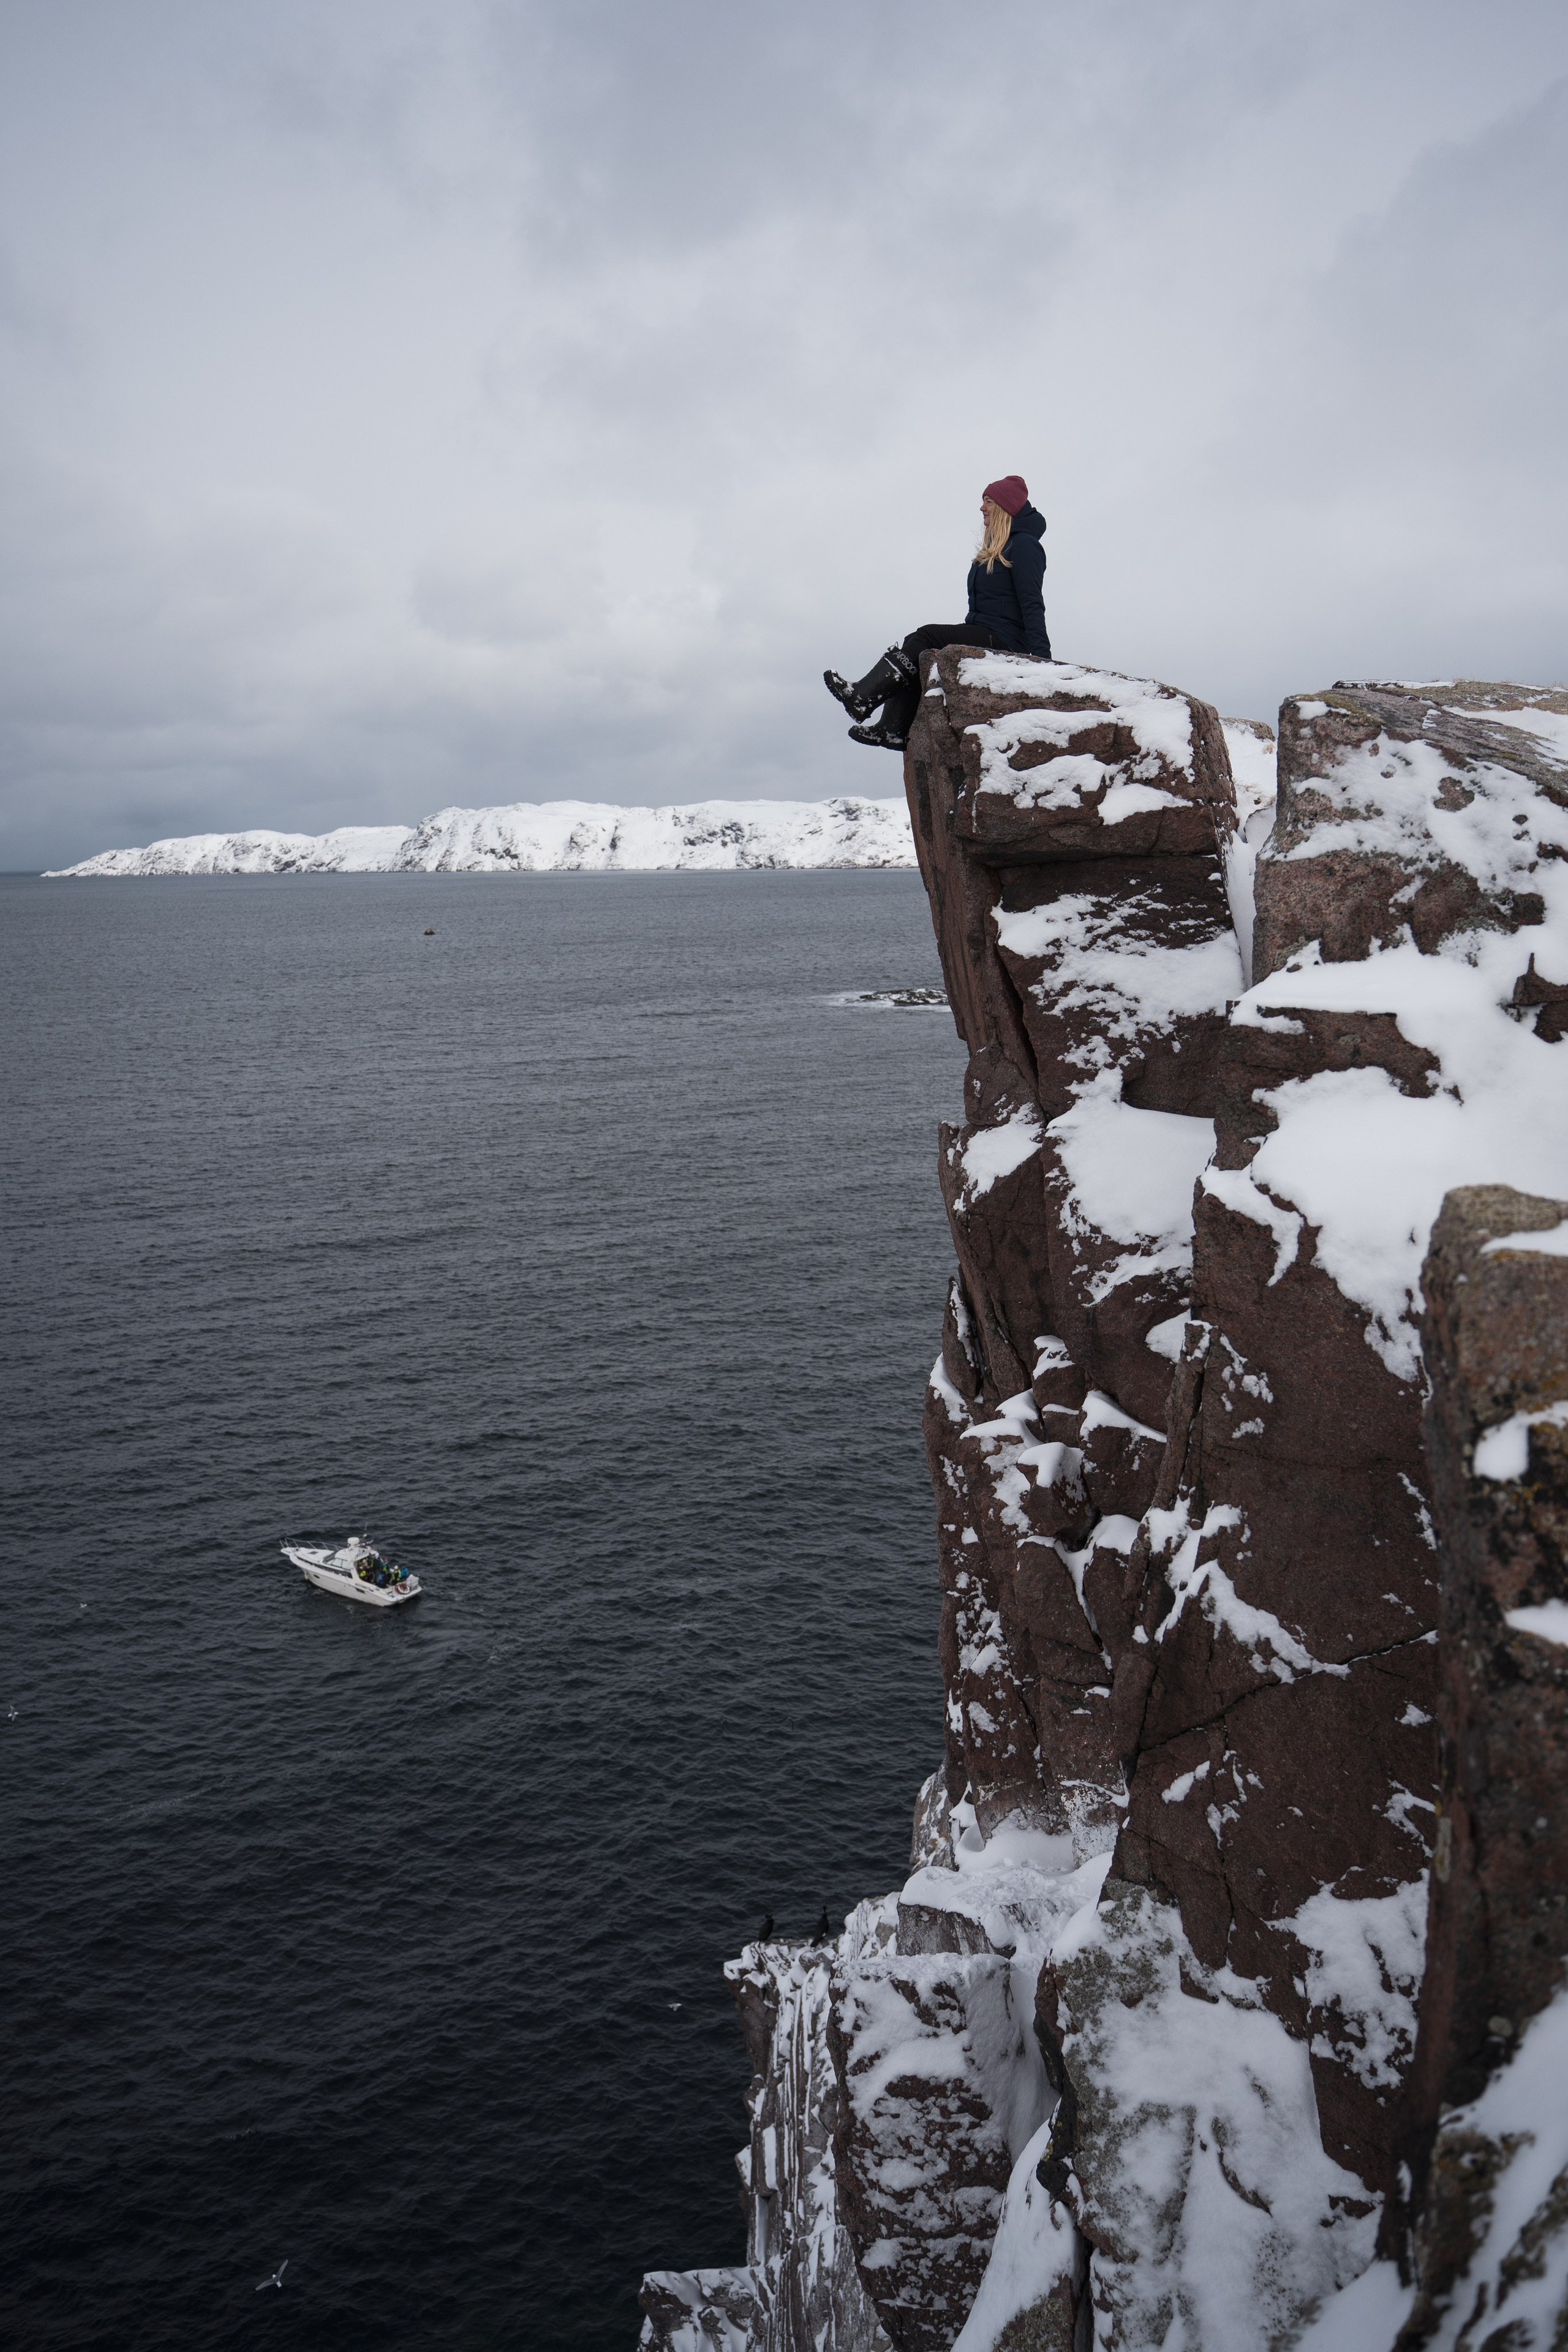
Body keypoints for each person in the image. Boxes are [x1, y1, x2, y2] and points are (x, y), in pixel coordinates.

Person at [824, 475, 1052, 751]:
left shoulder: (1025, 545)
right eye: (982, 501)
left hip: (1007, 640)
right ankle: (892, 728)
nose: (982, 508)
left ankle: (864, 697)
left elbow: (1032, 603)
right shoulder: (996, 548)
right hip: (986, 631)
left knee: (927, 635)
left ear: (1005, 508)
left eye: (989, 502)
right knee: (917, 643)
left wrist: (1041, 662)